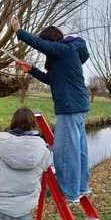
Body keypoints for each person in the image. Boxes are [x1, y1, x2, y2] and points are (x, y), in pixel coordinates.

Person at [11, 16, 91, 205]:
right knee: (79, 150)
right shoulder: (67, 54)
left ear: (51, 41)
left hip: (69, 108)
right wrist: (32, 69)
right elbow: (51, 80)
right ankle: (81, 188)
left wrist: (19, 32)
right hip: (78, 106)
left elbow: (40, 44)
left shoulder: (65, 48)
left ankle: (69, 193)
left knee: (65, 152)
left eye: (47, 44)